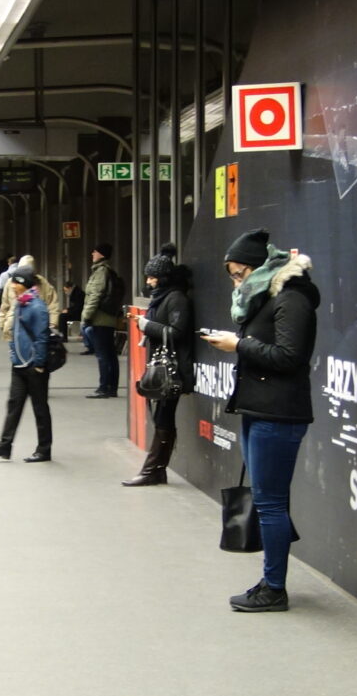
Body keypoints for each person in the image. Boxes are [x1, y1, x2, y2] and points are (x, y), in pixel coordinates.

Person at [201, 229, 318, 613]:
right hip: (259, 409)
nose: (237, 282)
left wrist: (238, 344)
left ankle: (274, 588)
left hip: (278, 412)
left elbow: (289, 356)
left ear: (260, 267)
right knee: (269, 501)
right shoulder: (267, 298)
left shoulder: (292, 298)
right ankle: (271, 581)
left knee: (269, 503)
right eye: (233, 276)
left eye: (240, 273)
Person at [123, 243, 193, 486]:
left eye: (152, 277)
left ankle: (152, 470)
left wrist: (146, 325)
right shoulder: (164, 298)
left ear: (163, 278)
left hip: (171, 370)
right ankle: (156, 469)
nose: (149, 282)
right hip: (163, 366)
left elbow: (177, 331)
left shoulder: (176, 299)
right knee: (163, 417)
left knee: (163, 417)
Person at [0, 268, 53, 463]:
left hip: (34, 366)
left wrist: (39, 364)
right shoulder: (21, 303)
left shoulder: (37, 307)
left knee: (40, 408)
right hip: (19, 364)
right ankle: (4, 446)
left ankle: (44, 450)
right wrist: (14, 355)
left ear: (25, 284)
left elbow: (41, 337)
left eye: (16, 282)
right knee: (14, 405)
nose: (12, 286)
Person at [81, 242, 125, 398]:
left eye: (95, 251)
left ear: (101, 254)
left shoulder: (101, 272)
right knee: (110, 354)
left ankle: (104, 387)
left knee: (103, 355)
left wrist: (86, 316)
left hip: (100, 319)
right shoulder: (107, 270)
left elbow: (95, 295)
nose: (92, 253)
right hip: (107, 319)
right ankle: (111, 388)